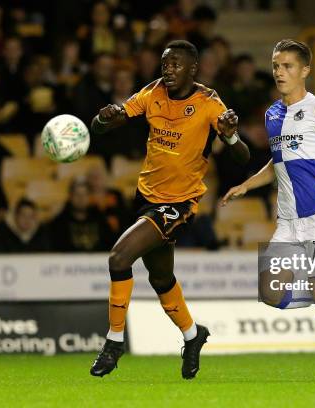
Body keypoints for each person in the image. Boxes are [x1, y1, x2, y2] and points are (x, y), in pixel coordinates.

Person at [89, 40, 249, 380]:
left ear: (193, 68)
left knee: (119, 259)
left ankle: (113, 342)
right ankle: (193, 335)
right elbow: (102, 127)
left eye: (176, 64)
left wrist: (232, 138)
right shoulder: (152, 92)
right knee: (161, 279)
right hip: (146, 197)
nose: (168, 69)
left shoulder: (208, 103)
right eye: (165, 63)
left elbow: (243, 157)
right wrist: (104, 119)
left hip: (178, 204)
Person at [222, 39, 315, 381]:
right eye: (275, 66)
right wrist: (247, 184)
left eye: (287, 66)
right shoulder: (273, 113)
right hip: (288, 222)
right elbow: (277, 163)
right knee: (270, 292)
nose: (280, 72)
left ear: (305, 71)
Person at [49, 180, 114, 252]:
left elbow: (110, 246)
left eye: (84, 194)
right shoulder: (59, 223)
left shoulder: (100, 220)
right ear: (70, 197)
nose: (81, 198)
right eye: (77, 194)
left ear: (89, 196)